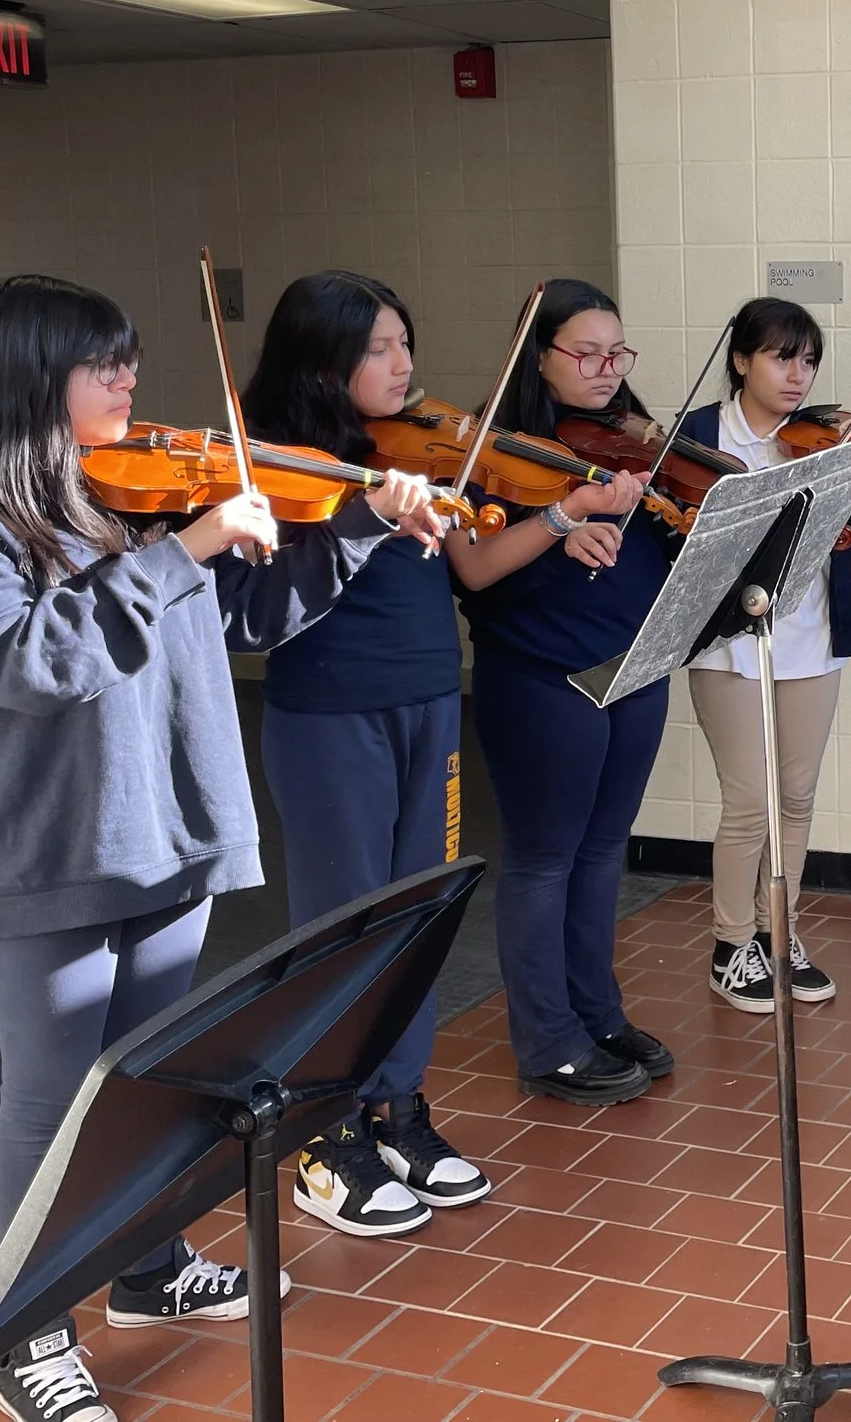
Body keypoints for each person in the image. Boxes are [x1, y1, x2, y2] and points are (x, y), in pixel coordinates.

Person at [0, 275, 439, 1422]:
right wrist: (186, 547)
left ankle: (144, 1271)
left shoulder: (126, 494)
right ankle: (29, 1339)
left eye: (130, 357)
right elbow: (24, 664)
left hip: (172, 830)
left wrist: (359, 526)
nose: (131, 380)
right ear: (30, 374)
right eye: (107, 363)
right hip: (51, 852)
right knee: (51, 1101)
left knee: (151, 1086)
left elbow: (247, 616)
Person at [238, 271, 495, 1241]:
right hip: (331, 713)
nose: (405, 367)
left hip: (430, 696)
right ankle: (322, 1132)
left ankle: (397, 1107)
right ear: (324, 360)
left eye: (405, 343)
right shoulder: (282, 466)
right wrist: (361, 513)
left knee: (417, 915)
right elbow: (264, 603)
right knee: (341, 927)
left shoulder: (411, 449)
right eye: (381, 349)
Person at [679, 299, 851, 1012]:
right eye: (781, 357)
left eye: (809, 360)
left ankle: (778, 931)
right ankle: (731, 945)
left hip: (811, 640)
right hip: (728, 643)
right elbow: (673, 534)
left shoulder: (829, 441)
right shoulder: (698, 435)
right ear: (741, 360)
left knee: (795, 797)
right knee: (749, 801)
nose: (799, 374)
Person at [450, 279, 673, 1105]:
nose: (608, 369)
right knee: (544, 857)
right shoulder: (493, 448)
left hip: (633, 665)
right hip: (541, 675)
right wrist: (560, 520)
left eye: (619, 352)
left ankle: (597, 1012)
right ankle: (547, 1039)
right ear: (538, 355)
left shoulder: (630, 441)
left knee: (604, 847)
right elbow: (471, 566)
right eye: (587, 353)